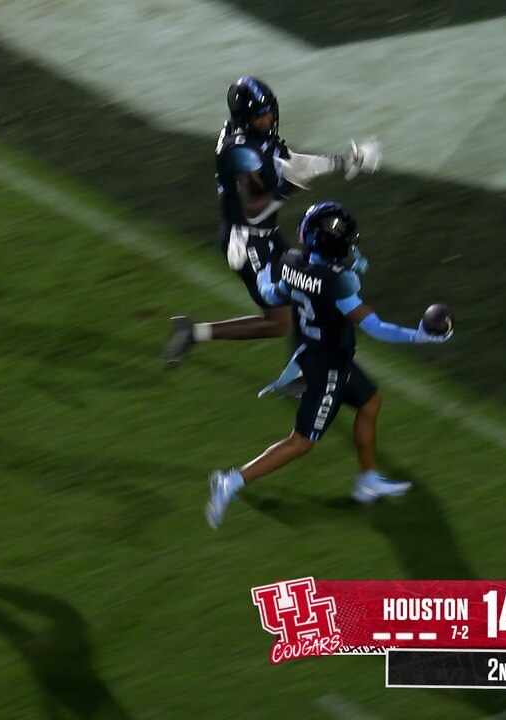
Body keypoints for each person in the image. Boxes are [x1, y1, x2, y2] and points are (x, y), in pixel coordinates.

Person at [205, 201, 451, 529]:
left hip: (318, 353)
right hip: (328, 368)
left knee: (370, 403)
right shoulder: (339, 282)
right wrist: (420, 336)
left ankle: (367, 481)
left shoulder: (292, 261)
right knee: (301, 442)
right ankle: (231, 482)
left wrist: (262, 273)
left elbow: (273, 294)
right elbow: (376, 327)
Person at [164, 76, 381, 365]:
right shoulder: (239, 151)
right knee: (279, 322)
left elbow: (293, 162)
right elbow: (252, 210)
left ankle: (302, 372)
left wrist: (344, 160)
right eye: (261, 114)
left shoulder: (255, 137)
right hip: (246, 241)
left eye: (269, 112)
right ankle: (194, 333)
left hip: (265, 235)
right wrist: (287, 187)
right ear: (246, 118)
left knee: (306, 291)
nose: (268, 118)